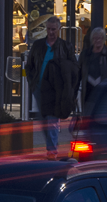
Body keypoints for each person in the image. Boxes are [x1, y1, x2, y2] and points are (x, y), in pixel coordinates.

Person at [24, 17, 80, 157]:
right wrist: (32, 82)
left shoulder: (65, 46)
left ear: (59, 29)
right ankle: (51, 147)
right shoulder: (38, 46)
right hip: (39, 87)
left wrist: (68, 88)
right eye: (48, 29)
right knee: (43, 119)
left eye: (53, 29)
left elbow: (73, 67)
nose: (51, 32)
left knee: (52, 118)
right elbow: (29, 66)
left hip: (56, 89)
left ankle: (52, 150)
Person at [79, 27, 107, 108]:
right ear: (92, 39)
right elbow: (78, 74)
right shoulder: (85, 55)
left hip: (104, 94)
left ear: (104, 39)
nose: (97, 40)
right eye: (95, 38)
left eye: (100, 38)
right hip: (88, 94)